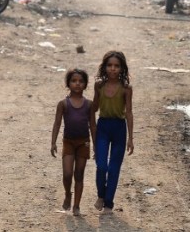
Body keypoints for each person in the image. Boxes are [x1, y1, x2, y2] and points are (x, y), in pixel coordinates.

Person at [91, 51, 134, 214]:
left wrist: (131, 138)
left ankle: (108, 203)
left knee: (114, 168)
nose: (113, 69)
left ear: (122, 68)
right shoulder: (99, 85)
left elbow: (129, 112)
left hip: (119, 129)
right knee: (101, 166)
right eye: (109, 65)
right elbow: (94, 108)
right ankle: (101, 195)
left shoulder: (126, 88)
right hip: (103, 127)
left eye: (117, 66)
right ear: (104, 67)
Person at [51, 68, 96, 216]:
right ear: (68, 84)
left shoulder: (89, 105)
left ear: (85, 85)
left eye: (81, 81)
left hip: (84, 143)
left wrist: (95, 145)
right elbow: (57, 123)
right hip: (68, 142)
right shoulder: (63, 104)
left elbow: (92, 125)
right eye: (74, 81)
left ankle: (76, 205)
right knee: (67, 174)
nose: (77, 84)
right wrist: (53, 142)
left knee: (79, 174)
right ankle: (67, 194)